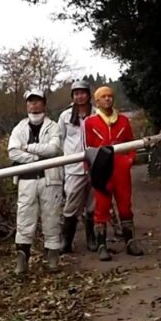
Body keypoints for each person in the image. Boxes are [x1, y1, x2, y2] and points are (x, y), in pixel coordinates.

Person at [84, 86, 143, 261]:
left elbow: (132, 144)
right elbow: (87, 149)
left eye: (110, 96)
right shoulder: (90, 122)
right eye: (104, 97)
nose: (108, 99)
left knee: (125, 206)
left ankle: (130, 241)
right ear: (97, 101)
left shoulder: (124, 120)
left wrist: (129, 160)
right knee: (101, 207)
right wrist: (89, 170)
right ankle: (102, 244)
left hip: (121, 169)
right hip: (101, 169)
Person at [8, 89, 63, 274]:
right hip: (26, 179)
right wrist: (36, 159)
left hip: (50, 179)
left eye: (37, 101)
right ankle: (22, 258)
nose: (34, 104)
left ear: (44, 103)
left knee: (52, 217)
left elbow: (54, 149)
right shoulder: (19, 128)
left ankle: (52, 256)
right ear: (27, 105)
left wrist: (29, 147)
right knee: (24, 219)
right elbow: (13, 152)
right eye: (30, 101)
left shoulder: (53, 126)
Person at [56, 80, 98, 253]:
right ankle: (67, 239)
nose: (80, 96)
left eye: (83, 92)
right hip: (73, 166)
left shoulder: (96, 114)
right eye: (76, 93)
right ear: (72, 96)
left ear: (88, 94)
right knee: (72, 201)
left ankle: (91, 236)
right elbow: (59, 140)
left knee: (92, 203)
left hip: (94, 163)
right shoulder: (65, 116)